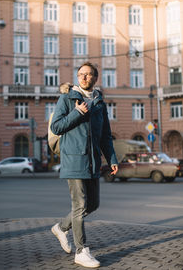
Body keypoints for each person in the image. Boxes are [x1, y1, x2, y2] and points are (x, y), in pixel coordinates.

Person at [50, 61, 118, 268]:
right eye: (81, 74)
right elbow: (56, 126)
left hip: (93, 160)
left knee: (93, 204)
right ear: (77, 77)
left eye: (88, 75)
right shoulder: (68, 98)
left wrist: (112, 158)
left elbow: (105, 135)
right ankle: (81, 251)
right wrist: (77, 112)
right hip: (73, 158)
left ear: (95, 78)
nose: (84, 77)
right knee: (79, 205)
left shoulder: (99, 103)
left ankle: (62, 228)